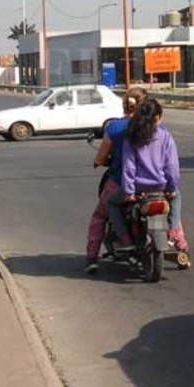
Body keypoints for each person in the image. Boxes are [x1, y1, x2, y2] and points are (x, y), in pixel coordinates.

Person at [107, 99, 189, 266]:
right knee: (177, 197)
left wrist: (129, 192)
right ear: (158, 117)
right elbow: (172, 166)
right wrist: (172, 188)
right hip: (161, 188)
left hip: (137, 189)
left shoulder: (132, 137)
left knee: (112, 204)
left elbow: (129, 166)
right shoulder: (165, 137)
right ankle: (173, 231)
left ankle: (125, 238)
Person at [86, 87, 147, 274]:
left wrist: (98, 162)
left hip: (120, 181)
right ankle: (178, 241)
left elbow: (101, 156)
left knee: (99, 217)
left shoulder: (115, 127)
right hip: (152, 182)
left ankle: (92, 258)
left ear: (125, 105)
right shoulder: (155, 126)